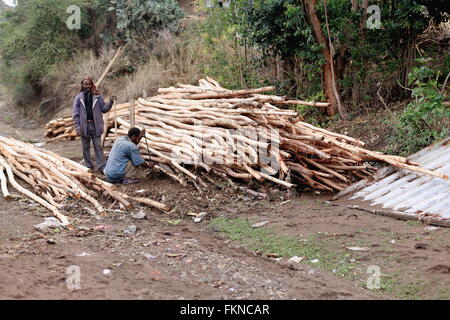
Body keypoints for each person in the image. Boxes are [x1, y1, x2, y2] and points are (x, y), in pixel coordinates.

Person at [72, 78, 116, 172]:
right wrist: (78, 127)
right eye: (85, 84)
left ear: (92, 85)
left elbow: (104, 109)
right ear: (82, 86)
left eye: (89, 84)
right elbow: (75, 114)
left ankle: (102, 166)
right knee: (85, 148)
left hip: (95, 125)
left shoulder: (97, 97)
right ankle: (89, 167)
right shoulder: (78, 98)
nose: (88, 86)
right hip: (84, 126)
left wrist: (110, 102)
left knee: (98, 147)